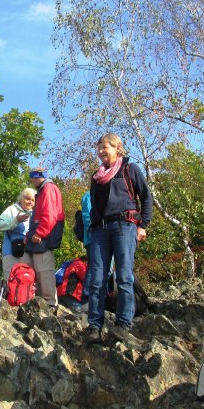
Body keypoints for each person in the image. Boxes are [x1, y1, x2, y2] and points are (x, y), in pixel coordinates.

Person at [84, 133, 152, 343]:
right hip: (99, 230)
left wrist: (143, 225)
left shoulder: (130, 169)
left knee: (123, 277)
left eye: (105, 147)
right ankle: (94, 326)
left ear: (117, 148)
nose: (101, 151)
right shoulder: (96, 177)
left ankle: (123, 324)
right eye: (99, 148)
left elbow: (146, 196)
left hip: (125, 225)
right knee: (96, 279)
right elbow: (95, 207)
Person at [25, 168, 66, 306]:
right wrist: (29, 235)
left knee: (44, 273)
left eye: (32, 177)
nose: (31, 181)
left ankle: (50, 306)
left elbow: (50, 215)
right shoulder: (44, 190)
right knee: (41, 273)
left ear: (36, 177)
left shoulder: (48, 189)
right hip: (40, 239)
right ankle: (45, 306)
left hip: (44, 239)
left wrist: (39, 233)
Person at [0, 188, 36, 280]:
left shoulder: (34, 213)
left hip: (29, 254)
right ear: (21, 198)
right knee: (12, 284)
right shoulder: (12, 210)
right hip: (12, 254)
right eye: (28, 199)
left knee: (28, 285)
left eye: (33, 200)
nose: (30, 202)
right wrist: (16, 220)